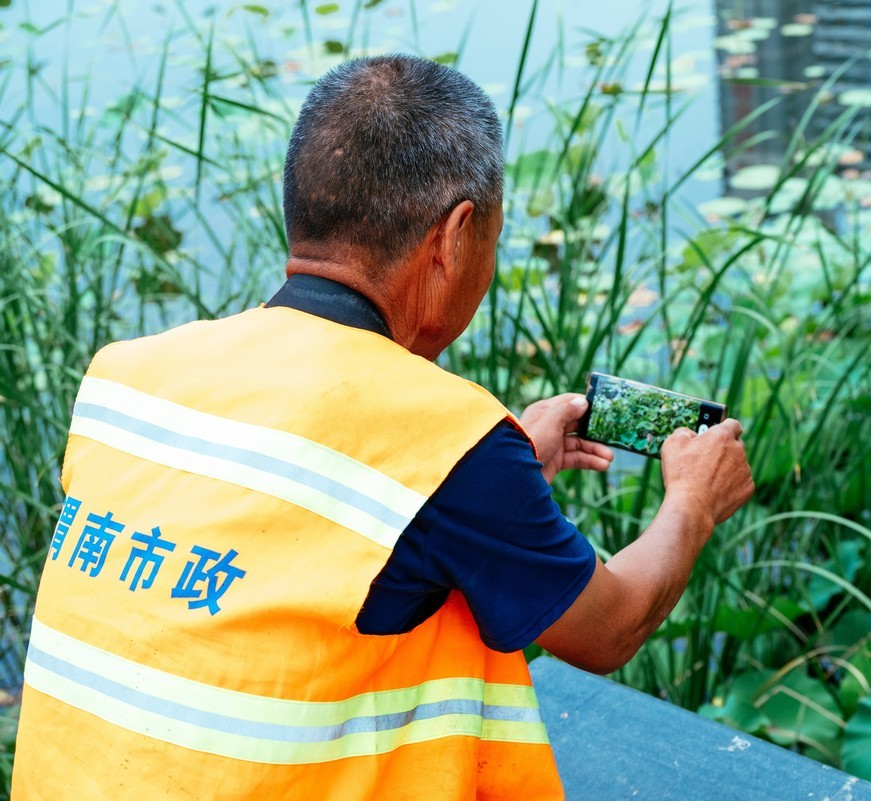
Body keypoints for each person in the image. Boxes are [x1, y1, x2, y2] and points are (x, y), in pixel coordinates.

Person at [12, 55, 754, 800]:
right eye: (493, 240)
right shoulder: (447, 439)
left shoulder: (127, 374)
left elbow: (274, 532)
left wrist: (505, 462)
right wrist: (693, 497)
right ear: (456, 236)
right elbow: (608, 627)